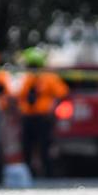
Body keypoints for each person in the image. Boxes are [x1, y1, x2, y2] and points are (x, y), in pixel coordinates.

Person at [13, 47, 69, 176]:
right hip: (27, 117)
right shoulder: (25, 78)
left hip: (43, 117)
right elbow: (18, 94)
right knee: (26, 146)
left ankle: (48, 173)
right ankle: (29, 173)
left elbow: (62, 93)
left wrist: (53, 107)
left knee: (45, 146)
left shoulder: (49, 78)